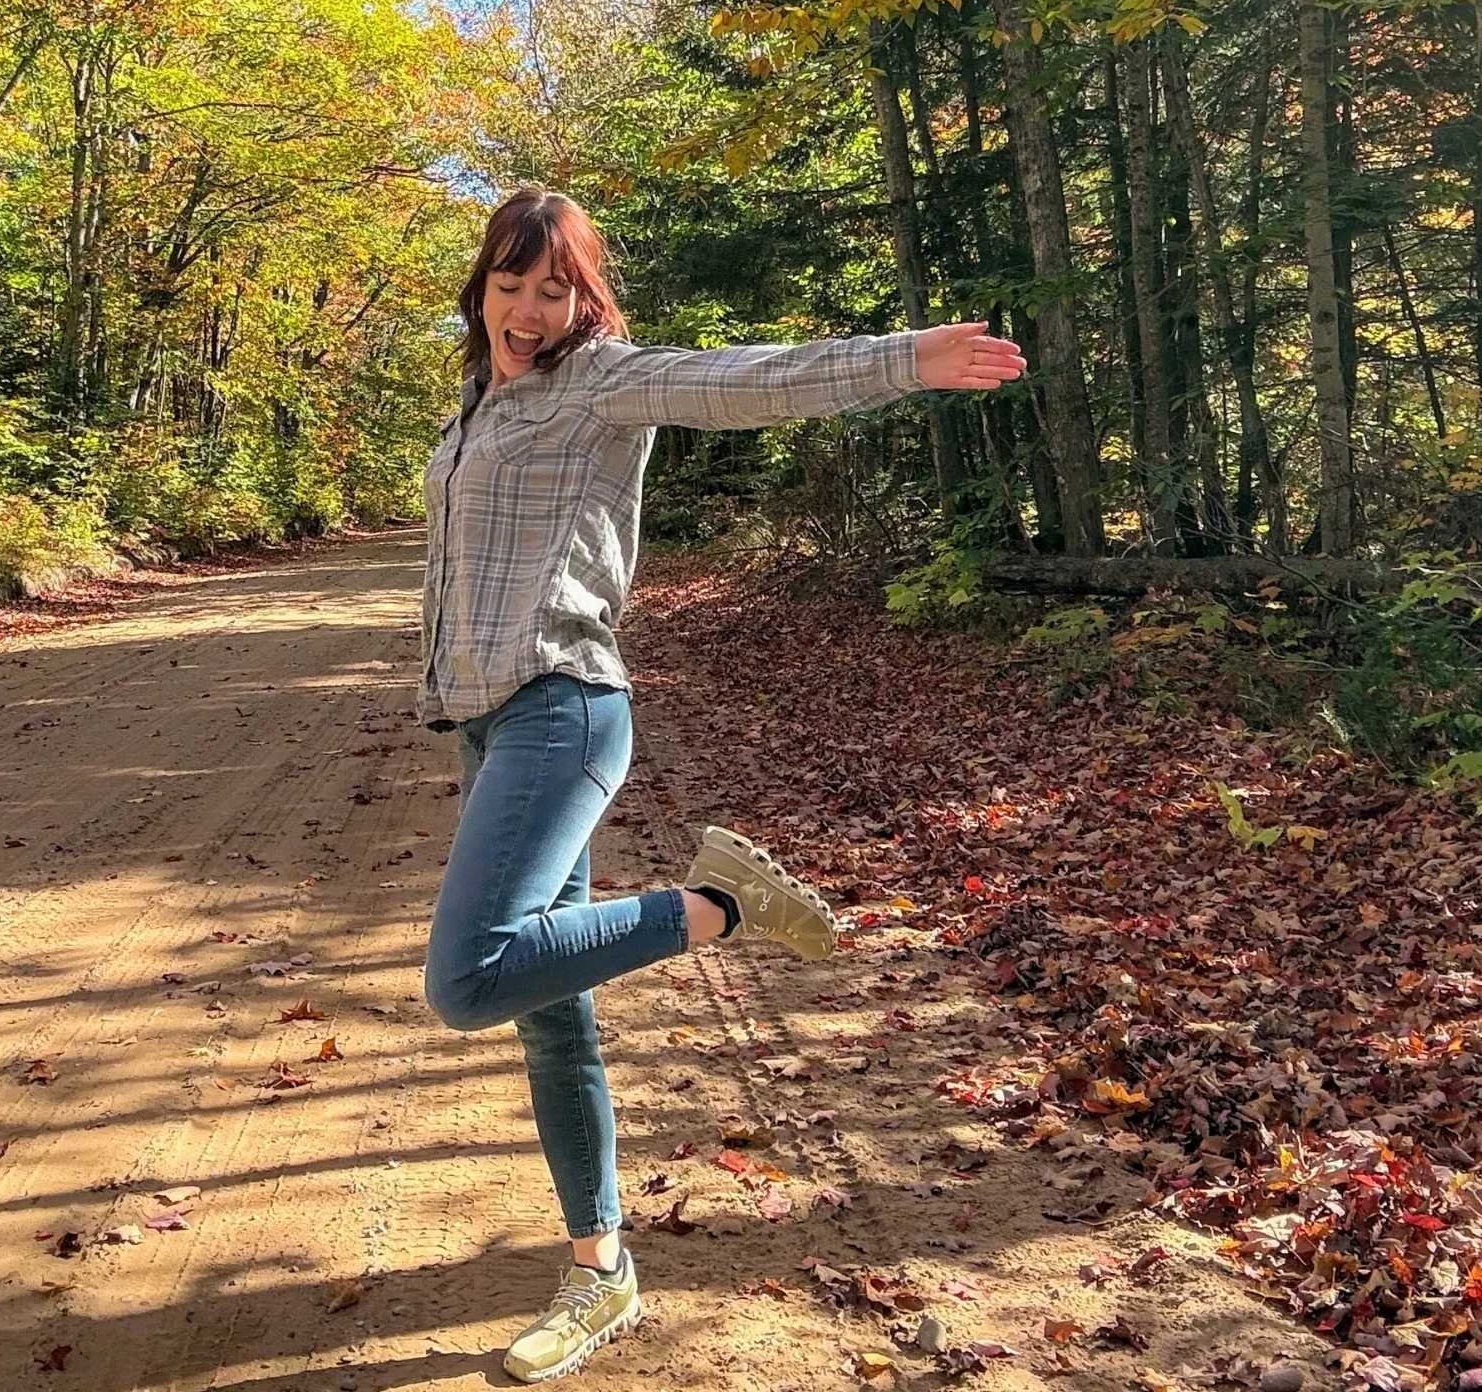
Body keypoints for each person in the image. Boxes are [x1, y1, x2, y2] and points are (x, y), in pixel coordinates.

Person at [417, 186, 1026, 1382]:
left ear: (585, 298)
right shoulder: (478, 402)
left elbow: (753, 379)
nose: (529, 310)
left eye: (555, 289)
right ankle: (601, 1272)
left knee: (469, 977)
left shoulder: (605, 381)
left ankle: (723, 904)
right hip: (490, 729)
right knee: (554, 1013)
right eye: (511, 282)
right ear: (482, 282)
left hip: (564, 709)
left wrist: (905, 360)